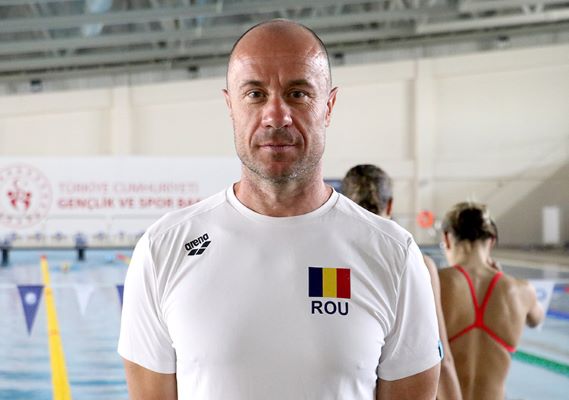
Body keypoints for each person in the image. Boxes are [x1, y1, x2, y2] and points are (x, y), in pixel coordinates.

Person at [118, 19, 441, 400]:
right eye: (255, 94)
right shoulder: (164, 248)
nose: (276, 115)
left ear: (328, 106)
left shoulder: (393, 254)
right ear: (231, 106)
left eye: (298, 93)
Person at [342, 164, 462, 400]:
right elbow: (441, 355)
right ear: (389, 205)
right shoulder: (416, 263)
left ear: (344, 202)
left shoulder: (329, 258)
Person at [438, 202, 544, 400]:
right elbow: (537, 319)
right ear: (492, 241)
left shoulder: (434, 283)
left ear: (447, 238)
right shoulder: (521, 290)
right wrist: (501, 280)